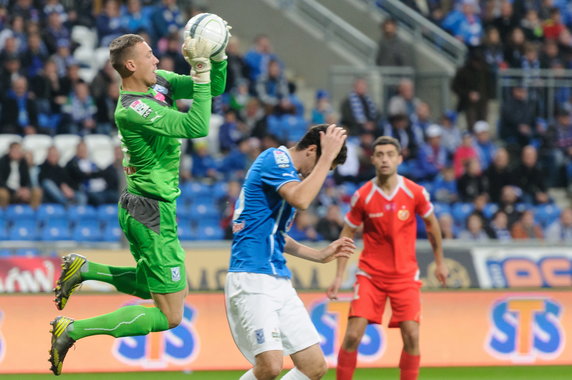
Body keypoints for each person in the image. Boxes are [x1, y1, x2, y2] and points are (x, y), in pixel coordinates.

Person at [48, 30, 229, 376]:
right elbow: (197, 124)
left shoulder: (159, 82)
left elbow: (214, 90)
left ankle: (86, 270)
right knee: (171, 314)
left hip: (150, 207)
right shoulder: (133, 109)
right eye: (149, 55)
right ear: (131, 64)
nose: (157, 59)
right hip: (149, 209)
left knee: (160, 288)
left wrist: (216, 59)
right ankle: (71, 331)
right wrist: (202, 74)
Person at [226, 124, 355, 380]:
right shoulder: (274, 158)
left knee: (314, 366)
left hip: (278, 279)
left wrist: (318, 255)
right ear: (311, 150)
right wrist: (327, 156)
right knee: (270, 366)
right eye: (323, 165)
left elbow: (275, 236)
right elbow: (302, 200)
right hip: (252, 275)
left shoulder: (289, 176)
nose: (320, 175)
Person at [327, 136, 448, 380]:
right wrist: (339, 275)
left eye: (390, 154)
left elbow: (433, 225)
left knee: (412, 336)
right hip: (370, 274)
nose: (385, 159)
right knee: (352, 335)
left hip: (405, 275)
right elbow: (347, 232)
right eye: (380, 154)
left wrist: (440, 261)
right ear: (372, 159)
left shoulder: (415, 192)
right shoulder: (363, 196)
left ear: (400, 159)